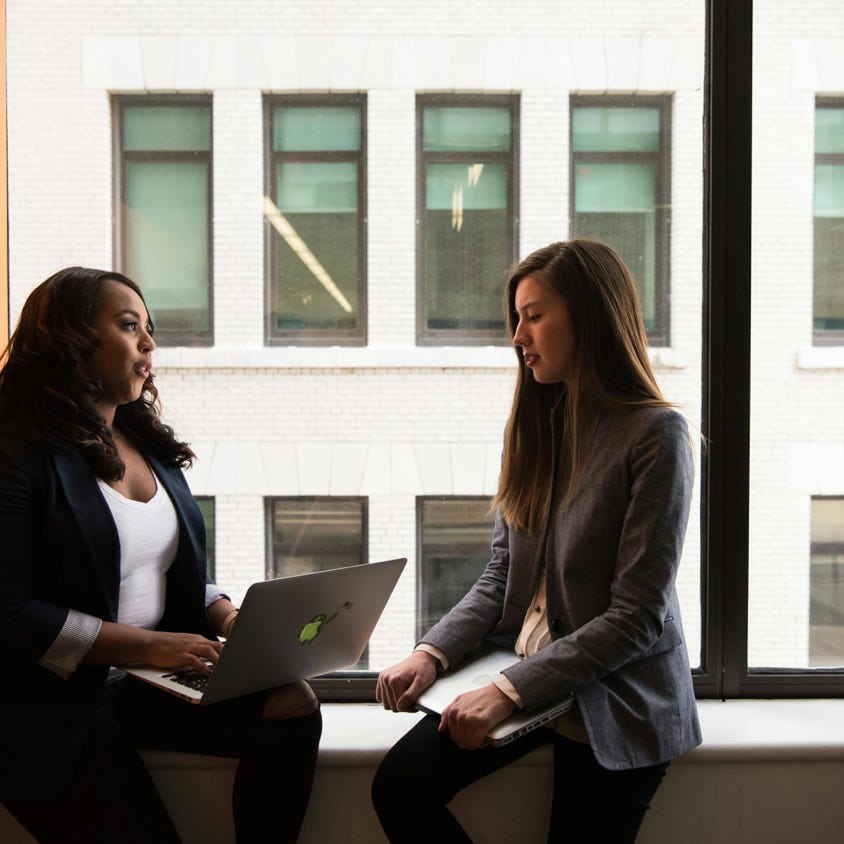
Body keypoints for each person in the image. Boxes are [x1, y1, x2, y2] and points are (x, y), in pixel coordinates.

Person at [372, 239, 702, 843]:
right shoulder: (533, 427)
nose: (518, 335)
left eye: (534, 315)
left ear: (590, 314)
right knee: (399, 786)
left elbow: (636, 618)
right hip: (527, 669)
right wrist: (431, 653)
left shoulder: (657, 435)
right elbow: (503, 576)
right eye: (515, 318)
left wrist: (507, 692)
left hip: (615, 693)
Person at [0, 267, 321, 843]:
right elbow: (11, 612)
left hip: (145, 680)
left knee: (290, 705)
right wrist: (150, 644)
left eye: (149, 328)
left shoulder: (144, 441)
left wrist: (228, 616)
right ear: (70, 339)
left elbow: (163, 569)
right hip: (53, 706)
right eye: (129, 326)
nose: (149, 343)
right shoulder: (15, 453)